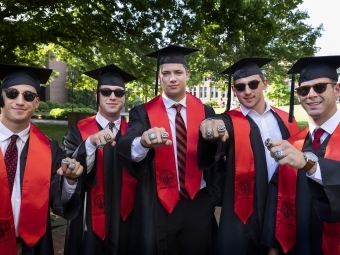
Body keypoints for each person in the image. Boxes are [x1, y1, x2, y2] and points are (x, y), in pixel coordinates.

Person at [116, 45, 223, 255]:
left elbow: (216, 154)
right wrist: (144, 142)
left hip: (198, 200)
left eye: (178, 73)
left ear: (187, 75)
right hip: (161, 202)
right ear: (159, 77)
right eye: (166, 73)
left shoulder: (205, 111)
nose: (172, 78)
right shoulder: (143, 113)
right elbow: (128, 143)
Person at [198, 57, 300, 255]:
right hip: (243, 207)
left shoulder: (287, 120)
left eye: (253, 84)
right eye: (240, 86)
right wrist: (209, 126)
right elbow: (219, 127)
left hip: (281, 201)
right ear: (234, 90)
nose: (247, 91)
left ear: (265, 83)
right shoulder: (230, 120)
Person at [0, 63, 83, 255]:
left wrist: (69, 180)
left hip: (29, 245)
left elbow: (57, 198)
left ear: (37, 102)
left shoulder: (48, 148)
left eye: (28, 96)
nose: (20, 101)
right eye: (12, 93)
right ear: (2, 97)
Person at [264, 55, 340, 255]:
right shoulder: (293, 144)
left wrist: (310, 165)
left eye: (320, 87)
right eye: (304, 90)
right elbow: (276, 199)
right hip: (299, 245)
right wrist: (273, 248)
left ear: (337, 90)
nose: (311, 95)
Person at [63, 64, 138, 255]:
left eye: (118, 93)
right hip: (87, 216)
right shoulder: (78, 131)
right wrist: (90, 144)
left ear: (124, 97)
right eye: (106, 91)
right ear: (97, 95)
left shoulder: (134, 134)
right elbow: (69, 172)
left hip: (126, 217)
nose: (112, 97)